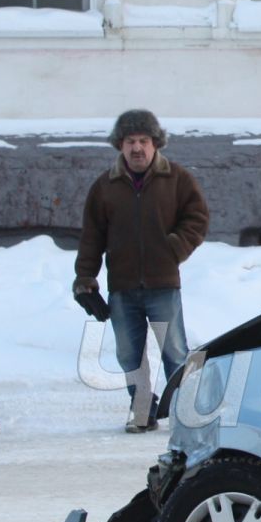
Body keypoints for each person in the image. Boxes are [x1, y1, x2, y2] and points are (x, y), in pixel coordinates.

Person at [74, 110, 210, 431]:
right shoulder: (105, 186)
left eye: (144, 141)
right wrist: (85, 279)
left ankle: (185, 410)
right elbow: (92, 237)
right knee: (129, 355)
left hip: (163, 285)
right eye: (131, 141)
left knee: (175, 351)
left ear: (155, 143)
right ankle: (142, 409)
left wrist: (174, 248)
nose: (138, 148)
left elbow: (198, 218)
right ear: (120, 145)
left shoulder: (177, 179)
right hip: (122, 288)